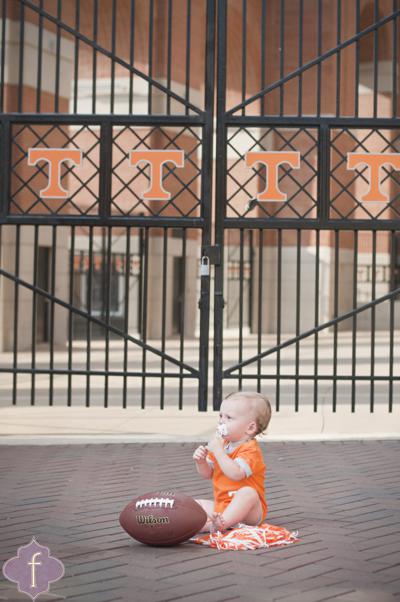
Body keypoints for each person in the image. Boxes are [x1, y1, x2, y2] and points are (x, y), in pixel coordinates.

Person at [193, 390, 272, 533]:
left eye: (229, 417)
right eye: (221, 416)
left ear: (250, 428)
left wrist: (218, 452)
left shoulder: (251, 450)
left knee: (248, 492)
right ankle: (210, 524)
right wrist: (201, 462)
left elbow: (236, 474)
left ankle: (221, 524)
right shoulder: (222, 445)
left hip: (250, 511)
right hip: (223, 506)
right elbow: (208, 474)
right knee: (195, 505)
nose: (221, 421)